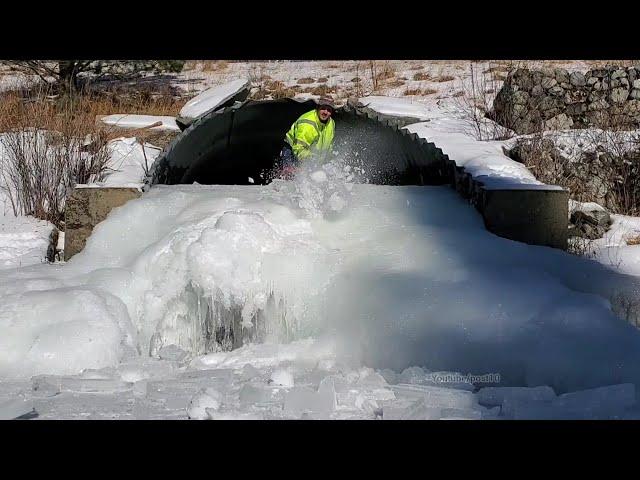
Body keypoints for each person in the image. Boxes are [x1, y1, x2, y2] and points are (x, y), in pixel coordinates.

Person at [275, 97, 336, 179]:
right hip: (292, 153)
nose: (325, 112)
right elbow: (298, 148)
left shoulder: (331, 123)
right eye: (323, 108)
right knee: (290, 180)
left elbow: (329, 146)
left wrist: (327, 162)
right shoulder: (308, 124)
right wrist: (310, 162)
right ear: (317, 108)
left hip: (311, 158)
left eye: (329, 110)